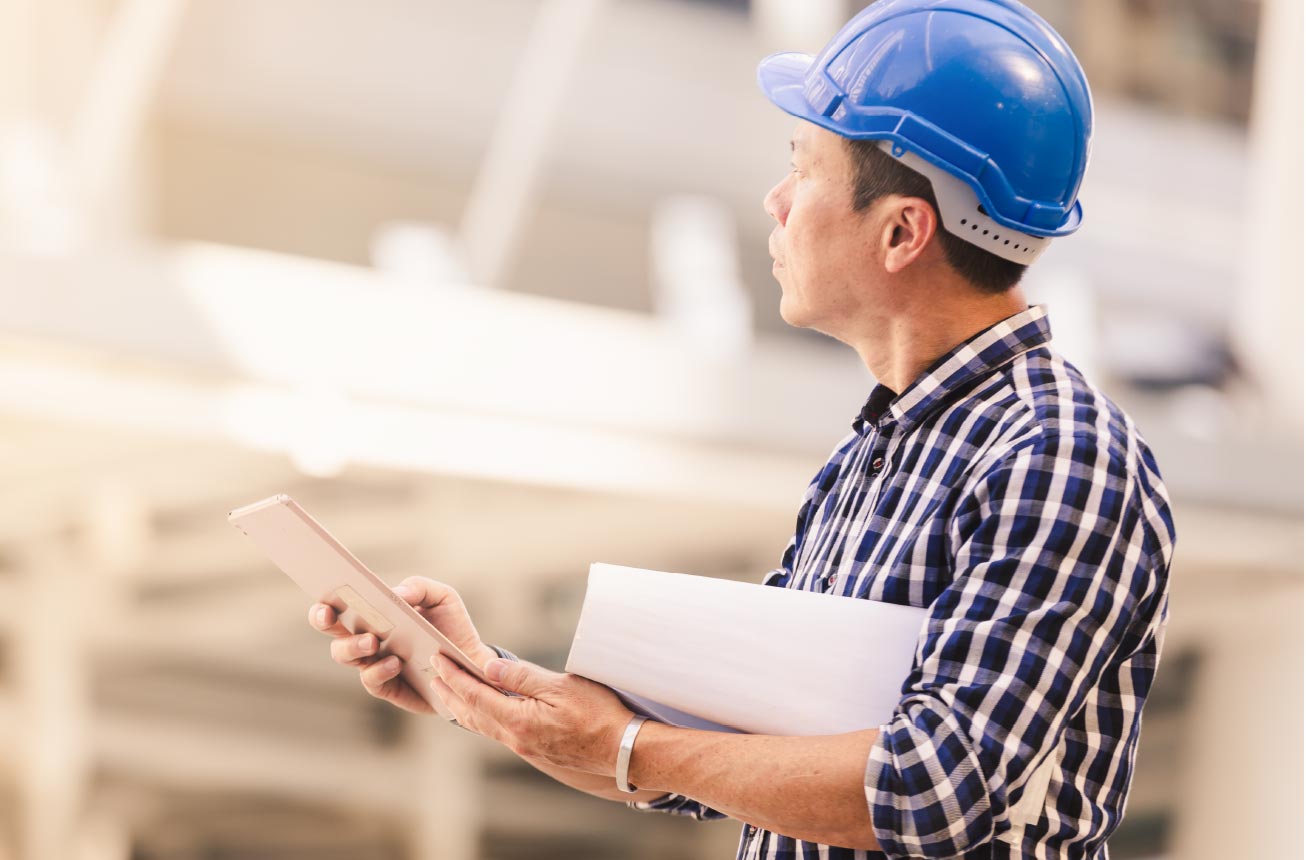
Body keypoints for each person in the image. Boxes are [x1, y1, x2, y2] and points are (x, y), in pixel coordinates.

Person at [308, 0, 1176, 856]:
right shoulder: (872, 456)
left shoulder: (1060, 455)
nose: (776, 199)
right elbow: (722, 751)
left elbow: (928, 790)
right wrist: (480, 682)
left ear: (903, 230)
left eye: (803, 168)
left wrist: (626, 747)